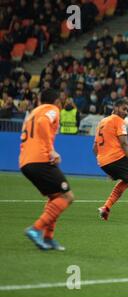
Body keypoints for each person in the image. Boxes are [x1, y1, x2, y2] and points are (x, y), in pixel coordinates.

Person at [20, 89, 75, 251]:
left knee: (55, 196)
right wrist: (51, 150)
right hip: (40, 159)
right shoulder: (52, 110)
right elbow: (43, 123)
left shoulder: (32, 113)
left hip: (25, 162)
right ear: (56, 101)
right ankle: (36, 229)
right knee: (67, 196)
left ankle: (48, 238)